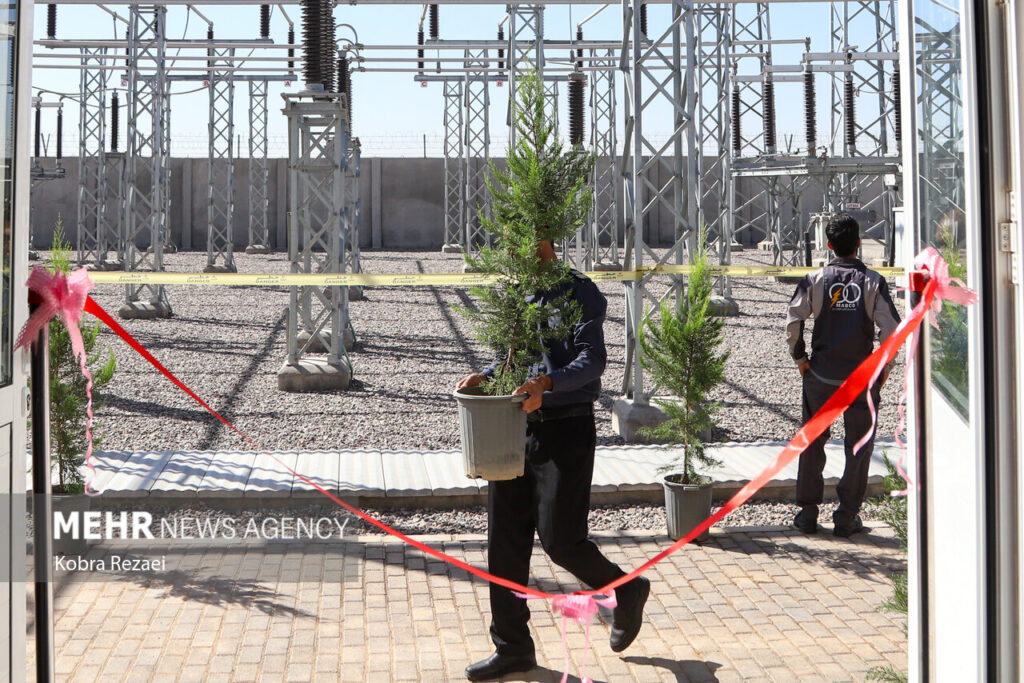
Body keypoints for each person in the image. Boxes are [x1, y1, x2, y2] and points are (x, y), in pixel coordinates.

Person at [456, 238, 650, 682]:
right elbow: (511, 359)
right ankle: (512, 648)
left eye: (519, 237)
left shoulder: (579, 291)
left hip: (567, 428)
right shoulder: (519, 293)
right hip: (515, 428)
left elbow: (593, 360)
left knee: (561, 539)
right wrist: (487, 376)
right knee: (505, 542)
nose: (510, 248)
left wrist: (548, 383)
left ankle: (626, 589)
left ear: (543, 239)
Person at [786, 214, 901, 537]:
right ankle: (847, 517)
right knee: (859, 446)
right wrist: (884, 367)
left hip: (821, 378)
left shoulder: (815, 279)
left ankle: (808, 514)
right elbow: (892, 330)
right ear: (859, 243)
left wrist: (801, 359)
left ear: (828, 245)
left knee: (812, 442)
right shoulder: (874, 282)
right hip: (860, 381)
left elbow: (793, 320)